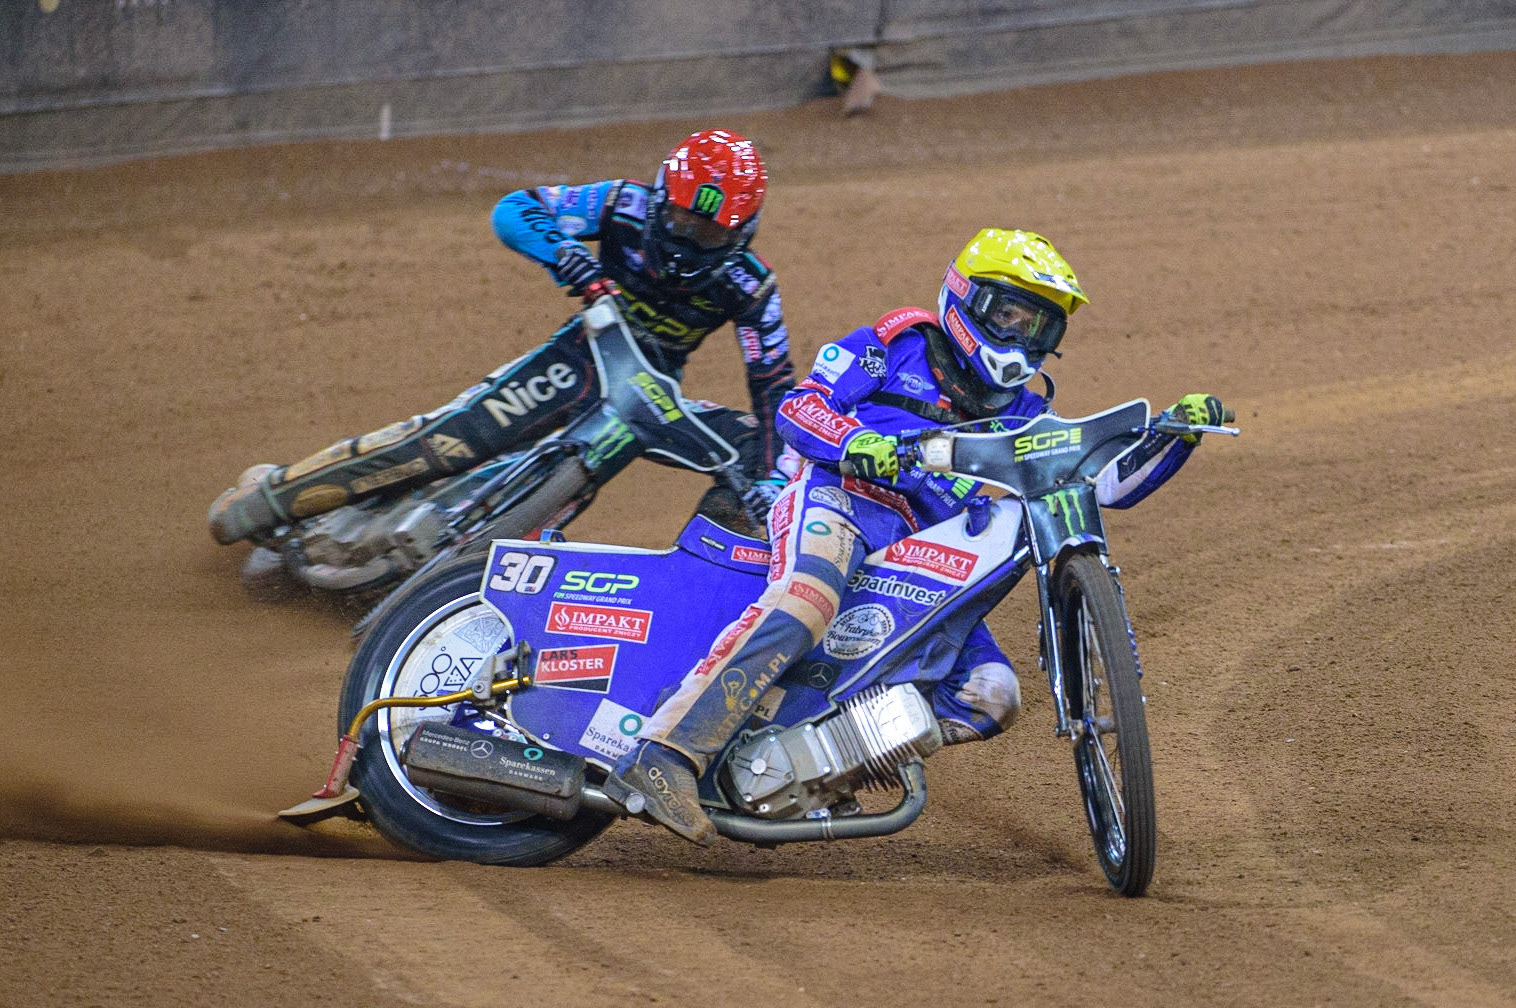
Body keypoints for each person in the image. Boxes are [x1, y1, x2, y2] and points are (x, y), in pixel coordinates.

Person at [609, 227, 1231, 845]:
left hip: (921, 549)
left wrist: (1172, 437)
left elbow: (1105, 485)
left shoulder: (1029, 416)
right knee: (808, 594)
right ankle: (667, 753)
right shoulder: (899, 342)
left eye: (1039, 327)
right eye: (1009, 314)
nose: (1020, 338)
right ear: (965, 300)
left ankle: (815, 759)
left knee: (992, 694)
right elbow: (799, 407)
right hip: (839, 498)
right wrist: (857, 442)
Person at [208, 128, 795, 547]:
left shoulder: (751, 286)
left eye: (711, 234)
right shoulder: (622, 204)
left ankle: (717, 579)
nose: (691, 242)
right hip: (582, 357)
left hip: (651, 393)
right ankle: (270, 498)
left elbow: (773, 387)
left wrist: (769, 482)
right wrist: (567, 257)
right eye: (681, 223)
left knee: (766, 461)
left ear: (743, 231)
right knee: (448, 442)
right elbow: (516, 209)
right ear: (662, 199)